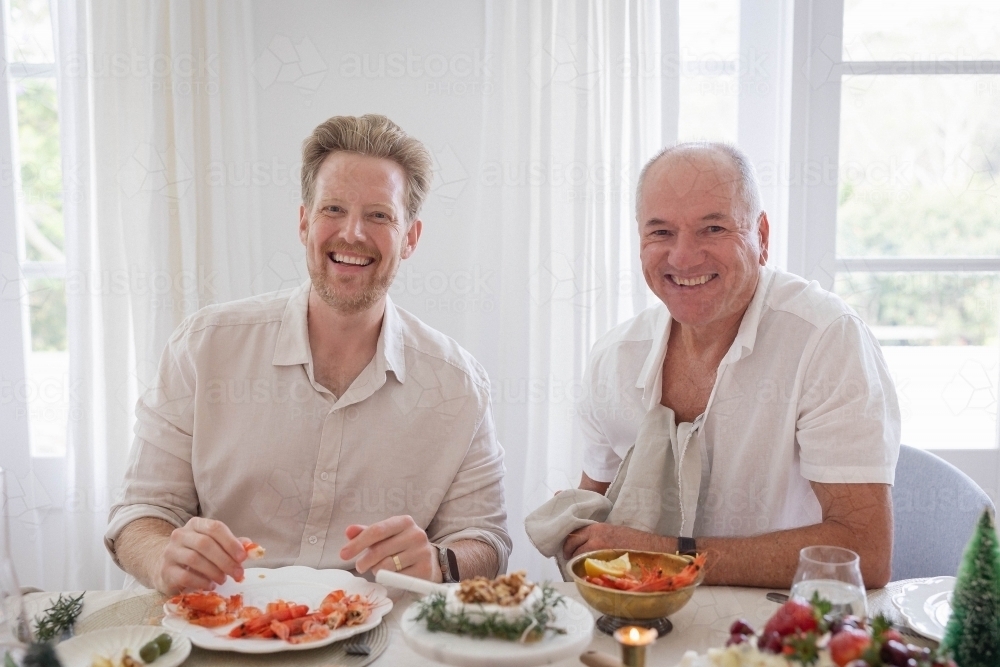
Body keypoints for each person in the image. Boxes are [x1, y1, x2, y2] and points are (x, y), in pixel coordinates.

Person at [106, 114, 511, 594]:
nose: (353, 233)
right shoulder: (205, 346)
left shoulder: (458, 385)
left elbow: (488, 541)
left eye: (379, 215)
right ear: (304, 223)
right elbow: (138, 515)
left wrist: (441, 561)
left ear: (411, 239)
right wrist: (161, 557)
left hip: (375, 639)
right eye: (333, 209)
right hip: (220, 626)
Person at [555, 143, 898, 588]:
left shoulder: (826, 339)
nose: (683, 257)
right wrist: (569, 528)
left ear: (762, 237)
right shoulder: (614, 358)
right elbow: (592, 516)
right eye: (660, 233)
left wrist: (664, 556)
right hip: (649, 619)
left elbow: (865, 554)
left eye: (713, 228)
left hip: (781, 630)